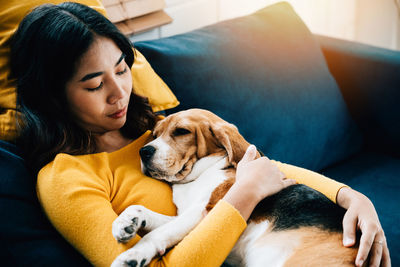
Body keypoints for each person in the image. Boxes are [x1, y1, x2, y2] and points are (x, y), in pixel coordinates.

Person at [9, 2, 390, 267]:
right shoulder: (65, 179)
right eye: (94, 85)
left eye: (122, 70)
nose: (119, 93)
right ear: (52, 97)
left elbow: (256, 166)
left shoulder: (152, 129)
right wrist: (244, 195)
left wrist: (350, 196)